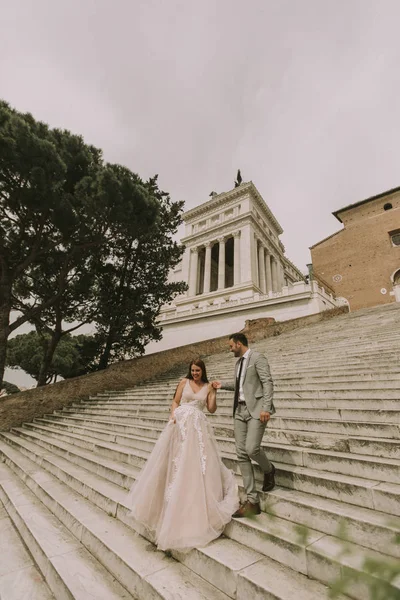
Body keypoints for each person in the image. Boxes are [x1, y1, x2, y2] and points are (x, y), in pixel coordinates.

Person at [128, 358, 239, 551]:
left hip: (198, 429)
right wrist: (173, 415)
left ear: (203, 371)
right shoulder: (183, 382)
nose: (195, 373)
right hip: (179, 426)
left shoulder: (208, 385)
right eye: (193, 370)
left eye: (198, 371)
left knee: (195, 466)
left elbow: (211, 409)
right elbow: (175, 401)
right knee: (172, 464)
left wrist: (213, 393)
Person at [212, 333, 275, 518]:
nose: (229, 349)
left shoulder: (258, 358)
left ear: (239, 344)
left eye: (231, 346)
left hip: (256, 410)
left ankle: (269, 469)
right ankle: (252, 501)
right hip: (239, 412)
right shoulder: (238, 363)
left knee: (251, 448)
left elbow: (267, 382)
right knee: (241, 454)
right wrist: (221, 385)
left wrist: (266, 407)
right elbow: (241, 386)